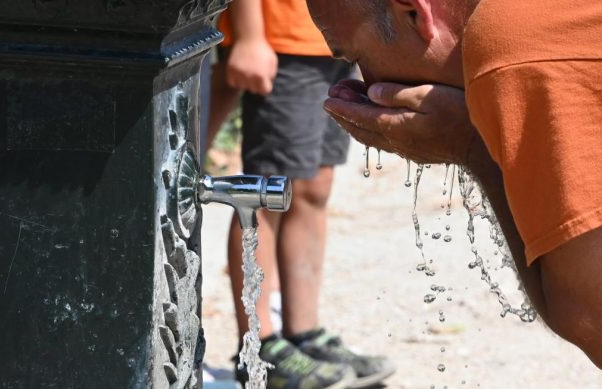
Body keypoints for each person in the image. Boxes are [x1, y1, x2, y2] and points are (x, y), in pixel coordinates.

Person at [304, 0, 602, 369]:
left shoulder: (514, 45)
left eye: (356, 56)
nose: (369, 82)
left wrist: (473, 148)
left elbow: (592, 321)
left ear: (414, 12)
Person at [208, 0, 397, 387]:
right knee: (269, 192)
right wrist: (249, 36)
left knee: (313, 188)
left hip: (336, 36)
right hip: (281, 39)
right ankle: (258, 346)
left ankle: (304, 334)